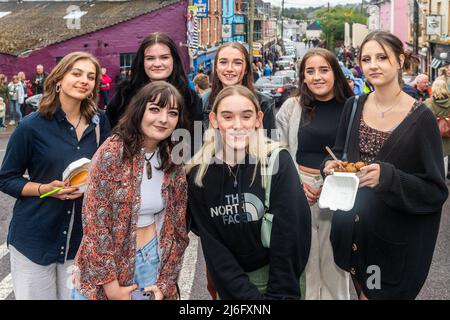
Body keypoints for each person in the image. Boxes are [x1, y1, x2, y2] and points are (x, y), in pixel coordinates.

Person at [322, 30, 448, 299]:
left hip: (393, 244)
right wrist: (333, 167)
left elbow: (435, 190)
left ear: (400, 61)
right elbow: (343, 156)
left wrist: (387, 178)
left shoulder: (421, 118)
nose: (373, 65)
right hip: (353, 237)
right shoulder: (353, 106)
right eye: (366, 59)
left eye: (382, 57)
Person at [0, 51, 111, 300]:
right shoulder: (31, 125)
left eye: (91, 77)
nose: (85, 80)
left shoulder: (100, 123)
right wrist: (46, 188)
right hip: (35, 240)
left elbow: (108, 171)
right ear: (59, 79)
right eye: (77, 73)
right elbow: (6, 179)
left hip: (80, 243)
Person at [186, 85, 311, 299]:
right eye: (227, 117)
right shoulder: (199, 174)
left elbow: (291, 234)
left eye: (246, 116)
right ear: (215, 120)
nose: (237, 125)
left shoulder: (277, 161)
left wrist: (278, 295)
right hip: (231, 286)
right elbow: (213, 245)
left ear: (258, 119)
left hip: (278, 282)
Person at [72, 81, 189, 300]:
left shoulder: (173, 159)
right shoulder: (112, 152)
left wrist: (166, 282)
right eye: (155, 109)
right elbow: (95, 222)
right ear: (139, 110)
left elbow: (177, 228)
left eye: (172, 113)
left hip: (152, 261)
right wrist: (111, 286)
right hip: (108, 268)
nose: (163, 119)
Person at [276, 48, 354, 300]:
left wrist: (336, 179)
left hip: (338, 188)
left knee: (334, 260)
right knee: (305, 259)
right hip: (299, 184)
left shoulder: (352, 107)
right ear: (303, 77)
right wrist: (296, 184)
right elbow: (279, 150)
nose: (317, 77)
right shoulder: (291, 106)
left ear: (336, 73)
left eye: (324, 70)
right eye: (310, 71)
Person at [106, 32, 202, 132]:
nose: (157, 64)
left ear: (174, 60)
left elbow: (196, 140)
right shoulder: (124, 95)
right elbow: (109, 131)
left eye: (164, 57)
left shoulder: (191, 99)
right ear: (142, 61)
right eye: (150, 58)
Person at [203, 42, 276, 134]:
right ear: (216, 67)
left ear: (246, 69)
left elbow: (271, 143)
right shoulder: (203, 102)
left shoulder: (264, 104)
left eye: (237, 63)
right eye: (223, 62)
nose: (229, 68)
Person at [425, 78, 450, 178]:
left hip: (434, 135)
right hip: (448, 134)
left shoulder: (428, 103)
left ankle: (440, 181)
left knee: (439, 159)